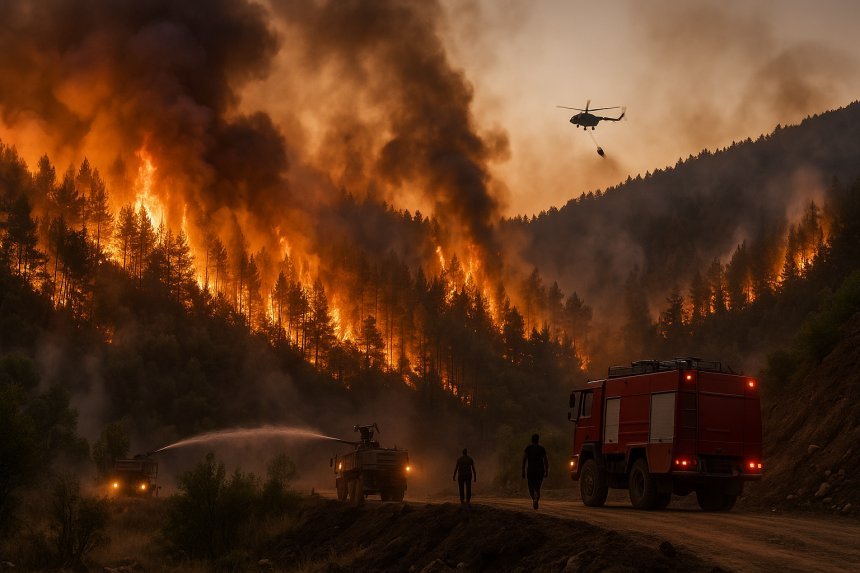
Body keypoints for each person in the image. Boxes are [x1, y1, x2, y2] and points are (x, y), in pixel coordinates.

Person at [522, 433, 548, 509]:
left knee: (531, 487)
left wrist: (523, 470)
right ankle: (536, 497)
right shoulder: (542, 448)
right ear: (538, 440)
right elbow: (545, 460)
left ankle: (534, 498)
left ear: (532, 440)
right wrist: (547, 471)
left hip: (531, 470)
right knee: (537, 487)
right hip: (540, 471)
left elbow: (524, 460)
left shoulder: (528, 448)